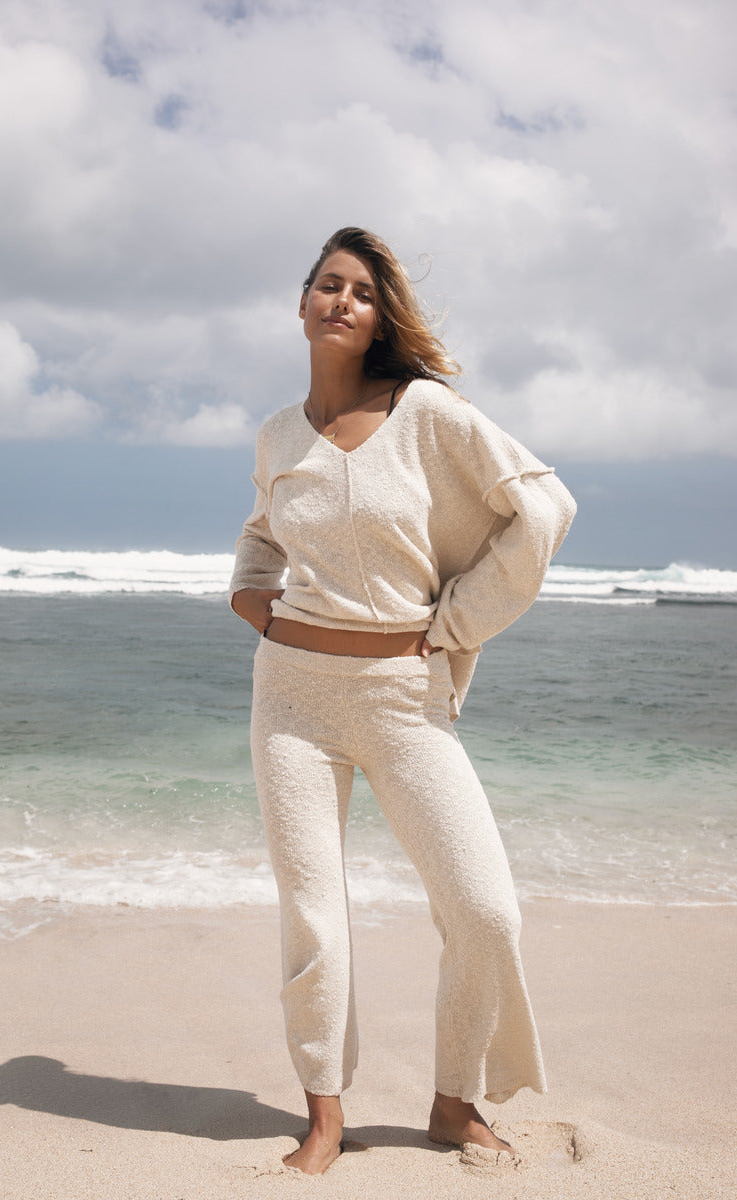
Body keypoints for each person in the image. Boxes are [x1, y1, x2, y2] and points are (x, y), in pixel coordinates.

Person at [229, 227, 576, 1175]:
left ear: (381, 317)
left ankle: (453, 1101)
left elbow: (543, 508)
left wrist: (461, 621)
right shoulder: (277, 433)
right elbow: (261, 537)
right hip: (292, 698)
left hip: (402, 695)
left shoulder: (427, 413)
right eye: (328, 285)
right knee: (314, 914)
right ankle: (325, 1116)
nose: (342, 301)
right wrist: (252, 599)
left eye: (363, 293)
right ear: (302, 303)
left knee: (484, 910)